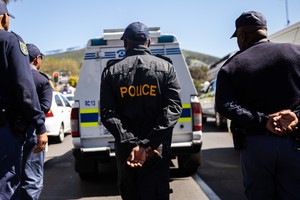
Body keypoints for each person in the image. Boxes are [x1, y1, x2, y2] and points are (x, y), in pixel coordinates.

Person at [215, 11, 300, 200]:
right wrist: (297, 117)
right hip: (295, 143)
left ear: (242, 35)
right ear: (265, 31)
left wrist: (263, 121)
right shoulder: (296, 52)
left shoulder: (231, 66)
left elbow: (224, 105)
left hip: (256, 146)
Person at [100, 22, 182, 200]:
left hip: (127, 153)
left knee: (131, 193)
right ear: (149, 42)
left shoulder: (111, 71)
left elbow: (108, 113)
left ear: (125, 43)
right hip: (156, 150)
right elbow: (173, 109)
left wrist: (133, 144)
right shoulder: (166, 67)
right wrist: (148, 144)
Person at [0, 1, 47, 199]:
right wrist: (40, 125)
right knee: (6, 186)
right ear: (4, 17)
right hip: (5, 128)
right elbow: (25, 89)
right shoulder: (10, 41)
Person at [21, 44, 52, 199]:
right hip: (34, 132)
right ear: (37, 59)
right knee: (32, 177)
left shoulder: (10, 76)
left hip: (11, 130)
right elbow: (45, 107)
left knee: (12, 176)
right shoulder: (41, 80)